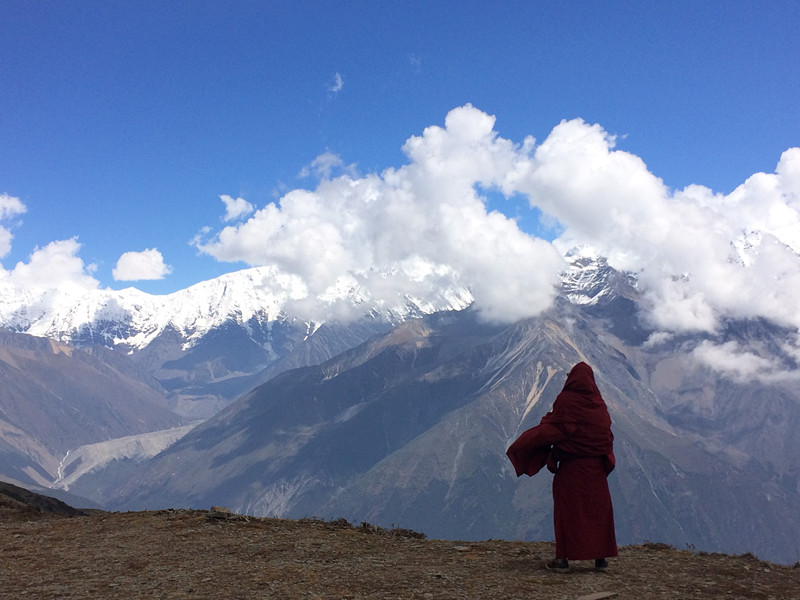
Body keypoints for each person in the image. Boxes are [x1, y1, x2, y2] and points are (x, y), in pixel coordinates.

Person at [506, 361, 618, 573]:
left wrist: (531, 447)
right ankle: (600, 559)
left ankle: (563, 560)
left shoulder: (566, 401)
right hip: (595, 472)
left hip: (572, 470)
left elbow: (557, 428)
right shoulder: (599, 404)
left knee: (568, 514)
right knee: (598, 513)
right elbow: (605, 437)